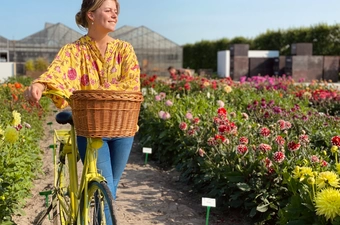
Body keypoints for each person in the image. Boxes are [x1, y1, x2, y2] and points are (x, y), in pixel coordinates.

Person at [23, 0, 140, 218]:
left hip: (124, 130)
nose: (114, 15)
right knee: (104, 192)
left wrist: (93, 91)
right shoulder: (74, 51)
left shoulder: (125, 50)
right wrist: (39, 85)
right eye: (108, 10)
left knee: (108, 190)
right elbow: (57, 71)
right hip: (91, 129)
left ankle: (89, 215)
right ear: (91, 15)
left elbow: (131, 84)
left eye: (116, 11)